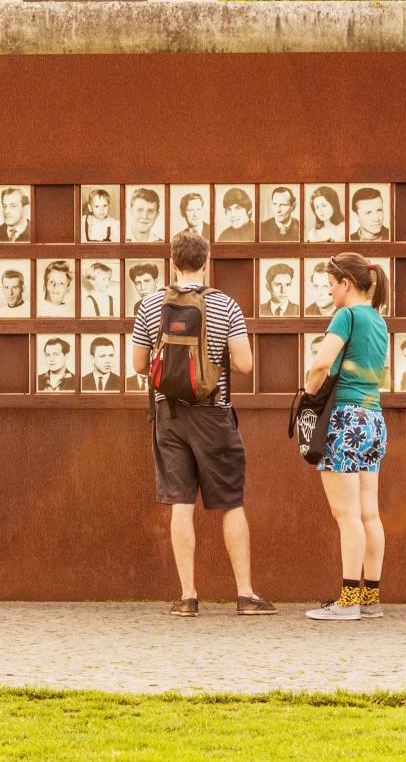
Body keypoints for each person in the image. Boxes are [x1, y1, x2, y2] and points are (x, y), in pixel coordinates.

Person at [128, 231, 268, 616]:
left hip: (168, 416)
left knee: (181, 504)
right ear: (207, 262)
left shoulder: (151, 304)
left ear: (172, 262)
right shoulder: (225, 305)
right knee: (231, 503)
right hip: (213, 412)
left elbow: (140, 366)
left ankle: (187, 596)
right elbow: (245, 364)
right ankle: (245, 595)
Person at [302, 251, 391, 621]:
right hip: (373, 419)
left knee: (346, 514)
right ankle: (370, 599)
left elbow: (322, 362)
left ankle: (348, 601)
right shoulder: (378, 321)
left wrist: (309, 392)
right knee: (369, 513)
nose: (329, 293)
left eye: (331, 285)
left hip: (344, 420)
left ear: (346, 284)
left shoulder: (347, 316)